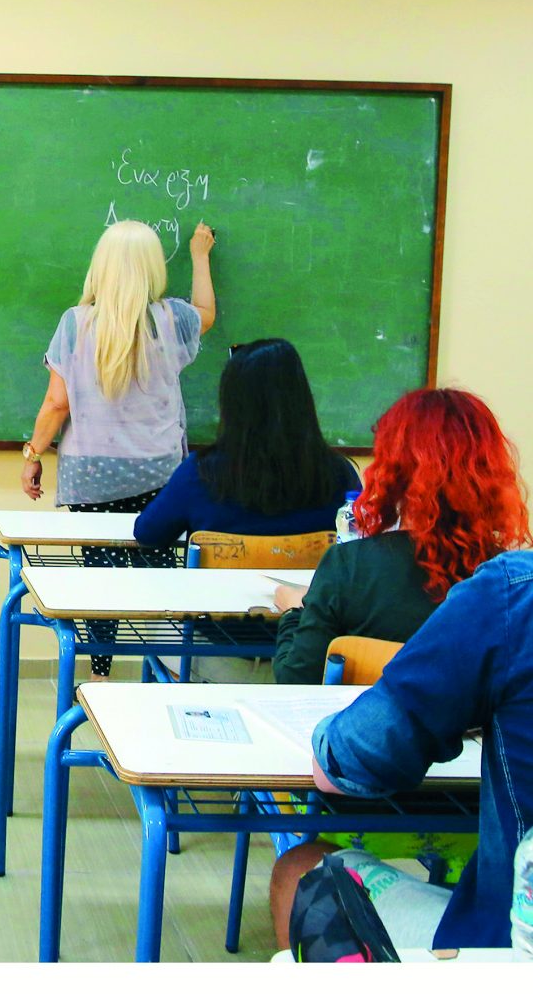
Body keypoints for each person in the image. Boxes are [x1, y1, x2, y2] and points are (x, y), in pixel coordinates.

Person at [268, 549, 533, 952]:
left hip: (506, 946)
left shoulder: (510, 597)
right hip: (465, 829)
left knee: (297, 870)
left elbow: (347, 759)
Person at [23, 218, 217, 678]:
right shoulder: (173, 319)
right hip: (159, 473)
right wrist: (200, 256)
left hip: (93, 476)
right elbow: (206, 312)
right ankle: (167, 669)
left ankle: (100, 672)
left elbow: (56, 403)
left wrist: (33, 455)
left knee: (101, 580)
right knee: (161, 573)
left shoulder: (76, 323)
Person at [272, 388, 529, 685]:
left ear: (392, 469)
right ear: (488, 471)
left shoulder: (347, 566)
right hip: (470, 717)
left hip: (368, 715)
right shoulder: (512, 581)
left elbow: (296, 679)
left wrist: (294, 613)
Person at [133, 338, 359, 548]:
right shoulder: (338, 473)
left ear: (230, 404)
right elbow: (361, 536)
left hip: (219, 581)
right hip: (309, 580)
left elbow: (148, 533)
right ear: (302, 400)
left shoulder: (199, 473)